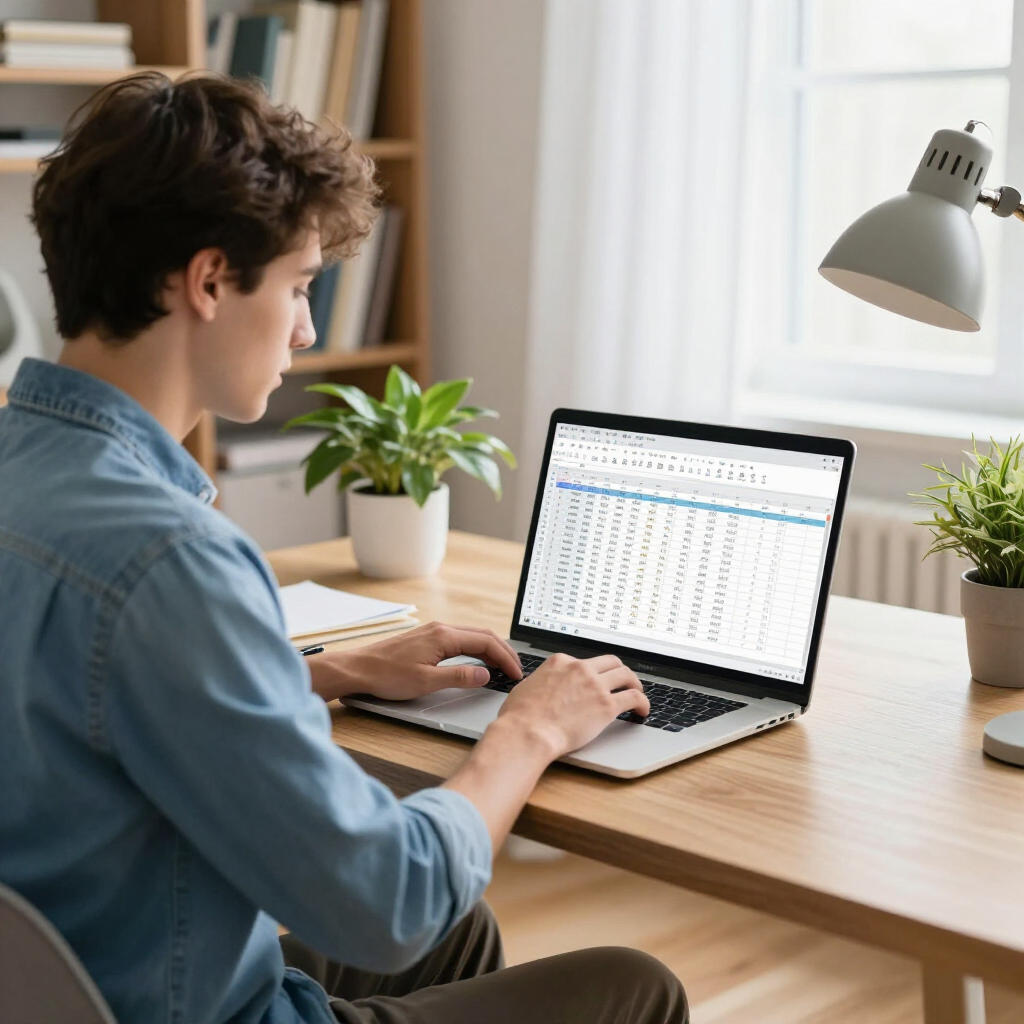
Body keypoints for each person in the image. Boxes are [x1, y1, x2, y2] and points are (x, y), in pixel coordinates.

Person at [0, 72, 687, 1024]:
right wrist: (530, 728)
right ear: (209, 281)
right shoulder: (171, 559)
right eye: (298, 286)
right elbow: (391, 902)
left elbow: (76, 688)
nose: (308, 329)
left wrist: (329, 671)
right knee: (634, 986)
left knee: (461, 933)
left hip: (80, 978)